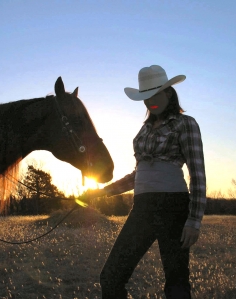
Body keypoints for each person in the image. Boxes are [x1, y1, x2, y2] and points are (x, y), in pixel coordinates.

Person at [88, 65, 206, 299]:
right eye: (145, 97)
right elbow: (137, 175)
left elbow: (198, 173)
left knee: (176, 283)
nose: (150, 101)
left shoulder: (185, 124)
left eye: (155, 94)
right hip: (142, 208)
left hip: (174, 206)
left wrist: (194, 220)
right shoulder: (144, 131)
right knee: (111, 276)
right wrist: (102, 192)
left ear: (169, 94)